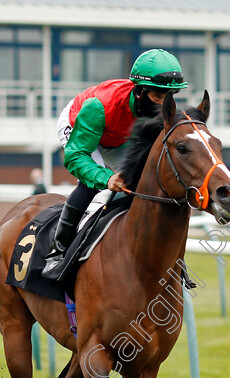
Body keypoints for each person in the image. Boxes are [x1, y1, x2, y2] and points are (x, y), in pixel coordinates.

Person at [42, 49, 188, 277]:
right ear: (139, 91)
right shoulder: (99, 106)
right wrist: (106, 178)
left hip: (118, 137)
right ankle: (57, 252)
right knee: (92, 184)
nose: (162, 104)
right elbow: (76, 157)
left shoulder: (158, 109)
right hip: (81, 125)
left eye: (168, 96)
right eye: (157, 96)